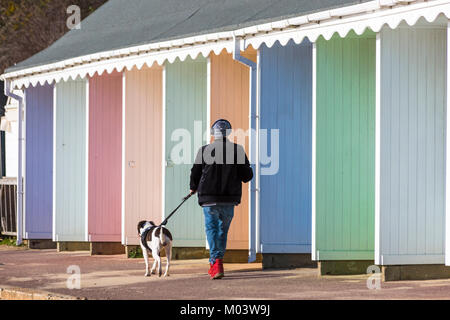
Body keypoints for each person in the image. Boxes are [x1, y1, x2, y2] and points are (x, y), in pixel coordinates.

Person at [190, 119, 253, 279]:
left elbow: (195, 173)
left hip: (209, 198)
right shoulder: (237, 150)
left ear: (213, 134)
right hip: (228, 198)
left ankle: (216, 262)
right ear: (229, 133)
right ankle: (217, 260)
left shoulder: (204, 150)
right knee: (222, 231)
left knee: (212, 229)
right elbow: (247, 176)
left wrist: (193, 187)